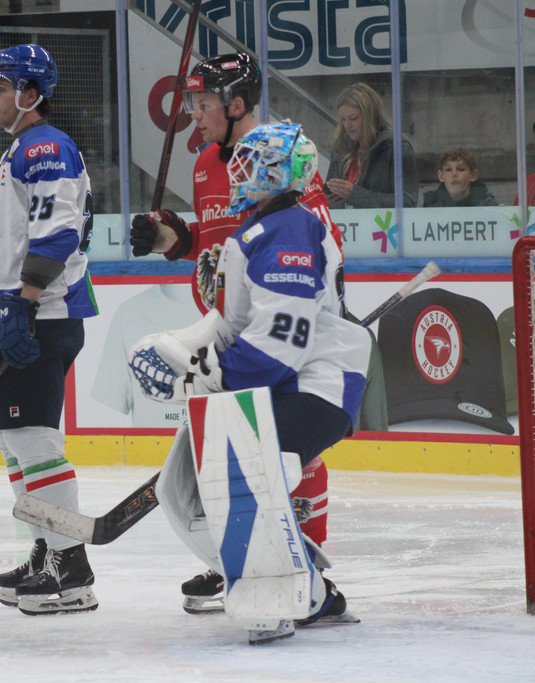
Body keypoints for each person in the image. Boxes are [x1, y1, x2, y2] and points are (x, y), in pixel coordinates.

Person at [129, 122, 370, 643]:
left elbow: (280, 342)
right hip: (293, 383)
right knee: (206, 472)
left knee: (239, 467)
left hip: (316, 387)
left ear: (282, 174)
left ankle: (294, 589)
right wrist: (179, 348)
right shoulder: (262, 227)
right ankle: (303, 582)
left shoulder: (290, 229)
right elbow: (236, 325)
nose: (239, 169)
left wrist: (207, 374)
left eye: (254, 162)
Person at [0, 44, 99, 615]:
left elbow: (58, 233)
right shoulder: (21, 149)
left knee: (33, 439)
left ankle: (70, 565)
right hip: (10, 310)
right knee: (9, 438)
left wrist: (24, 301)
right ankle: (47, 549)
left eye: (1, 88)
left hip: (38, 312)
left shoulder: (45, 146)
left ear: (31, 93)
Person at [324, 82, 418, 209]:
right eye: (343, 119)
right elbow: (330, 201)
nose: (347, 125)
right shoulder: (340, 148)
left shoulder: (396, 147)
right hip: (347, 221)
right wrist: (331, 202)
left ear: (370, 116)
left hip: (382, 222)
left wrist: (355, 195)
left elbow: (408, 201)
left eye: (353, 118)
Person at [422, 148, 497, 207]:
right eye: (448, 170)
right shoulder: (430, 206)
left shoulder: (487, 205)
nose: (454, 174)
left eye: (461, 169)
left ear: (473, 175)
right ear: (441, 176)